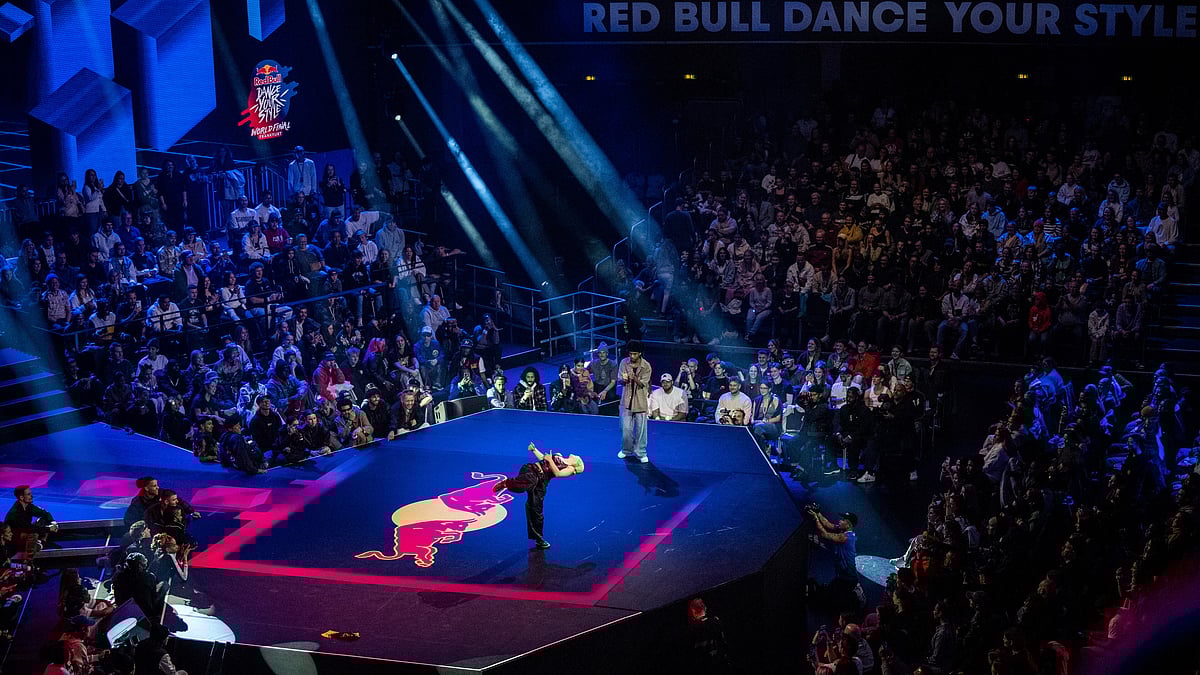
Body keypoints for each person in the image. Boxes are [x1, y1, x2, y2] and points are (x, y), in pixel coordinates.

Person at [493, 442, 584, 550]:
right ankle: (506, 483)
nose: (576, 456)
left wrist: (550, 460)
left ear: (576, 464)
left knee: (536, 510)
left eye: (578, 459)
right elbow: (543, 458)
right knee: (531, 480)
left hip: (542, 482)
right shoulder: (558, 455)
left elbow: (558, 473)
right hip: (531, 470)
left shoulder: (570, 469)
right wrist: (534, 450)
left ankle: (539, 540)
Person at [806, 507, 861, 614]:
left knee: (831, 604)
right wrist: (818, 513)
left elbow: (825, 534)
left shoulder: (846, 537)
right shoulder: (843, 530)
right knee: (829, 595)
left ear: (848, 524)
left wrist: (815, 519)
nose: (839, 521)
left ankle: (855, 594)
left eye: (843, 520)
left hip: (847, 578)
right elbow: (828, 525)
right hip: (841, 575)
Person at [617, 341, 652, 463]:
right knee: (625, 429)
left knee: (641, 429)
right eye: (630, 353)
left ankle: (641, 452)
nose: (632, 356)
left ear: (640, 353)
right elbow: (620, 380)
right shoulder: (623, 362)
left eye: (635, 354)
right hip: (626, 400)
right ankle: (626, 450)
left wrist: (634, 378)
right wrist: (624, 380)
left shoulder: (646, 366)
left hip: (640, 401)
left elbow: (643, 383)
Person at [4, 486, 57, 558]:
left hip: (26, 531)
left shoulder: (29, 506)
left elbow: (45, 513)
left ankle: (39, 543)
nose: (32, 496)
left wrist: (53, 522)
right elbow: (28, 529)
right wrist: (48, 529)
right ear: (21, 497)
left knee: (43, 520)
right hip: (14, 537)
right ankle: (28, 560)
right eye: (28, 494)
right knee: (33, 535)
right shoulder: (15, 513)